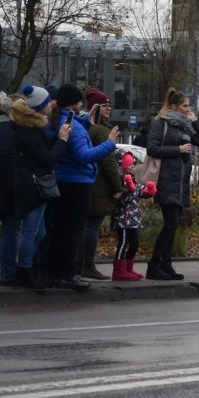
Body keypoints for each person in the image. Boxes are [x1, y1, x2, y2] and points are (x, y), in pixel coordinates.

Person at [47, 84, 118, 291]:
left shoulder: (57, 121)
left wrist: (86, 123)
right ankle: (68, 274)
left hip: (60, 181)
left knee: (59, 229)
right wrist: (109, 144)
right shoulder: (73, 127)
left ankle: (54, 272)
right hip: (77, 184)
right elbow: (83, 156)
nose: (82, 104)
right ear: (73, 103)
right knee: (72, 231)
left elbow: (71, 144)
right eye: (79, 101)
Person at [7, 87, 71, 289]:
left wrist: (57, 137)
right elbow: (47, 158)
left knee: (39, 233)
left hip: (31, 184)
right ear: (39, 106)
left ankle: (24, 269)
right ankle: (23, 271)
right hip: (34, 187)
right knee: (31, 232)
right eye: (47, 102)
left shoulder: (30, 126)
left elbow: (40, 151)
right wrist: (62, 140)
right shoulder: (30, 130)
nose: (51, 105)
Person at [145, 88, 199, 281]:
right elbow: (152, 148)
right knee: (171, 224)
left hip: (180, 183)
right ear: (174, 106)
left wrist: (195, 121)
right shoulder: (162, 123)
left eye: (189, 106)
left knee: (173, 225)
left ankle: (166, 264)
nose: (188, 109)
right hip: (166, 180)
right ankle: (154, 264)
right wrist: (178, 149)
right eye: (185, 106)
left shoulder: (185, 126)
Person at [81, 88, 121, 281]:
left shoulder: (88, 128)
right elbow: (108, 162)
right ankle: (87, 265)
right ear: (95, 108)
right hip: (98, 186)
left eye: (109, 105)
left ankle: (77, 264)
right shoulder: (103, 131)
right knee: (92, 226)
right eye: (104, 106)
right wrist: (117, 187)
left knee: (84, 226)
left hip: (88, 183)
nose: (109, 109)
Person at [110, 149, 156, 280]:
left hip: (133, 219)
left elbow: (139, 192)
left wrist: (149, 190)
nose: (132, 166)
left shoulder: (132, 179)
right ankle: (118, 270)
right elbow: (123, 200)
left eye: (132, 163)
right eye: (129, 164)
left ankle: (128, 269)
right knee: (123, 242)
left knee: (134, 243)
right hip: (123, 218)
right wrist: (129, 189)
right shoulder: (120, 180)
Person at [0, 91, 19, 286]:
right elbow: (8, 161)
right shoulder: (8, 130)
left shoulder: (0, 126)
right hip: (6, 188)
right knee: (11, 230)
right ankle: (8, 274)